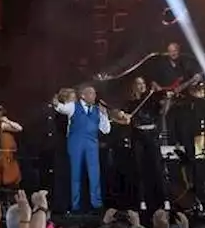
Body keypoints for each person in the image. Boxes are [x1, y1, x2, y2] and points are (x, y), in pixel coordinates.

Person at [147, 42, 201, 189]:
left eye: (175, 50)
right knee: (171, 142)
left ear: (179, 50)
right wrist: (157, 87)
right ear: (167, 52)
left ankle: (192, 181)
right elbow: (152, 81)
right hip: (169, 108)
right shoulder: (161, 66)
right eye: (170, 51)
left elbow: (196, 78)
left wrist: (197, 78)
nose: (173, 53)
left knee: (187, 143)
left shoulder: (187, 64)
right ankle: (175, 181)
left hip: (184, 108)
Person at [53, 84, 112, 212]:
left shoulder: (97, 110)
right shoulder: (73, 106)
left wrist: (104, 115)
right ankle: (76, 205)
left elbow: (106, 130)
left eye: (95, 93)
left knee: (94, 173)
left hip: (92, 143)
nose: (94, 96)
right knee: (76, 173)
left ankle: (96, 203)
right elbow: (61, 108)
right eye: (91, 93)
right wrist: (56, 100)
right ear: (83, 95)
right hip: (76, 142)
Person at [117, 77, 166, 211]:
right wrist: (123, 117)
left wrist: (163, 95)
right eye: (138, 84)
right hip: (138, 136)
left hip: (152, 136)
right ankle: (141, 200)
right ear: (134, 86)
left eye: (143, 83)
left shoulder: (152, 100)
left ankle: (163, 200)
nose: (142, 86)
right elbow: (123, 120)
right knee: (139, 169)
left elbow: (162, 109)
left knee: (157, 167)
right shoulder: (129, 103)